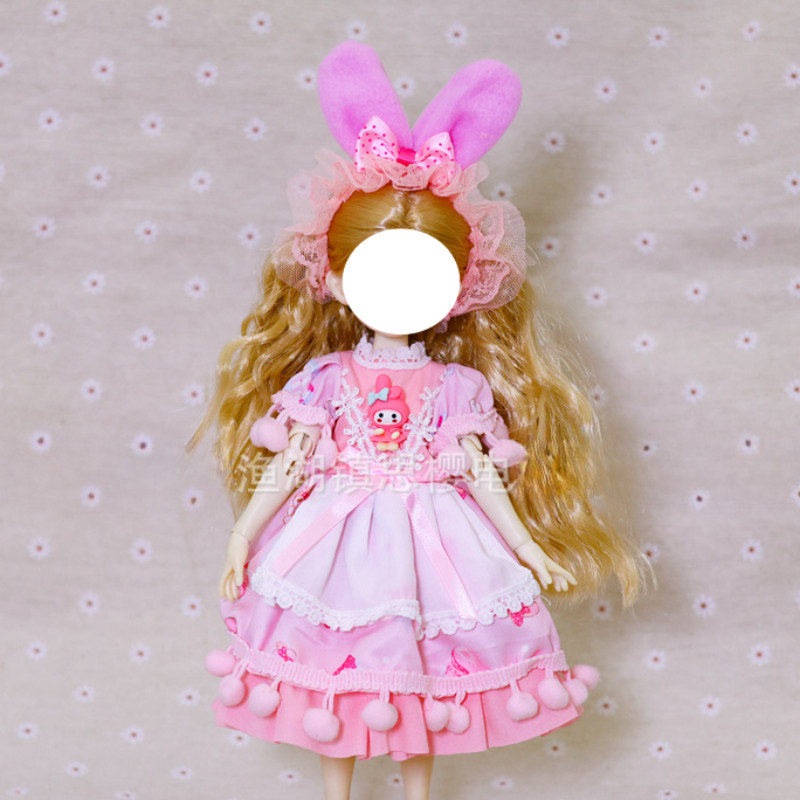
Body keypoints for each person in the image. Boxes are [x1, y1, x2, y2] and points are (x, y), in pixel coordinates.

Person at [188, 42, 645, 800]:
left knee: (422, 680)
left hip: (436, 540)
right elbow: (292, 461)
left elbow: (480, 473)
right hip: (336, 541)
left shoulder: (458, 387)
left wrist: (527, 546)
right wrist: (244, 534)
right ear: (338, 280)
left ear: (457, 289)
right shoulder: (325, 380)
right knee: (336, 675)